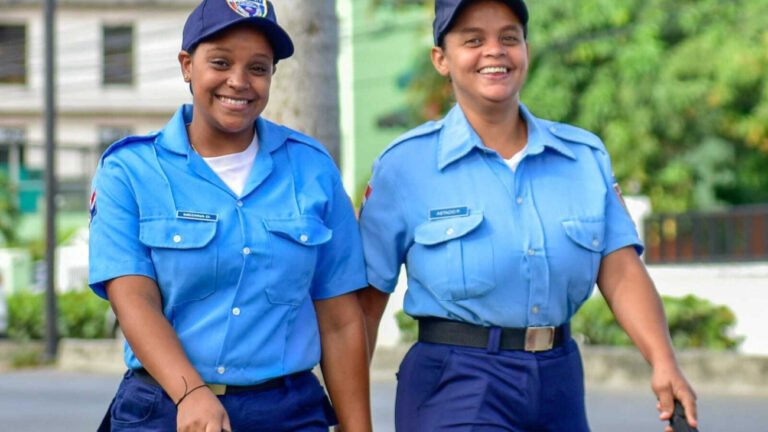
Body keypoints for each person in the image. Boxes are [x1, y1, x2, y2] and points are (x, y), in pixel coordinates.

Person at [357, 0, 698, 431]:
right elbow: (364, 306)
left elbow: (621, 272)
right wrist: (351, 418)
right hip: (457, 381)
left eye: (509, 38)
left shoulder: (582, 158)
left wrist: (664, 361)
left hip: (559, 378)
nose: (494, 51)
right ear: (441, 59)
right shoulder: (404, 166)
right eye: (473, 40)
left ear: (526, 51)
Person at [88, 0, 371, 431]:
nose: (238, 82)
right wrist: (191, 392)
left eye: (258, 68)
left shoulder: (312, 169)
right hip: (164, 408)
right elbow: (134, 299)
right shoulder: (130, 170)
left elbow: (339, 320)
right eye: (220, 62)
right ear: (187, 65)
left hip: (289, 413)